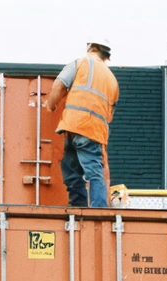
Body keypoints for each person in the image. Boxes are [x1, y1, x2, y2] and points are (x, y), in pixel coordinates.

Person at [44, 39, 119, 209]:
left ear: (91, 47)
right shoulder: (112, 80)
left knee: (76, 170)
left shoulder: (81, 63)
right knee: (80, 168)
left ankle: (95, 210)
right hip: (94, 131)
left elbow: (59, 86)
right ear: (107, 56)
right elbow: (110, 115)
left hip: (73, 125)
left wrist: (51, 105)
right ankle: (82, 207)